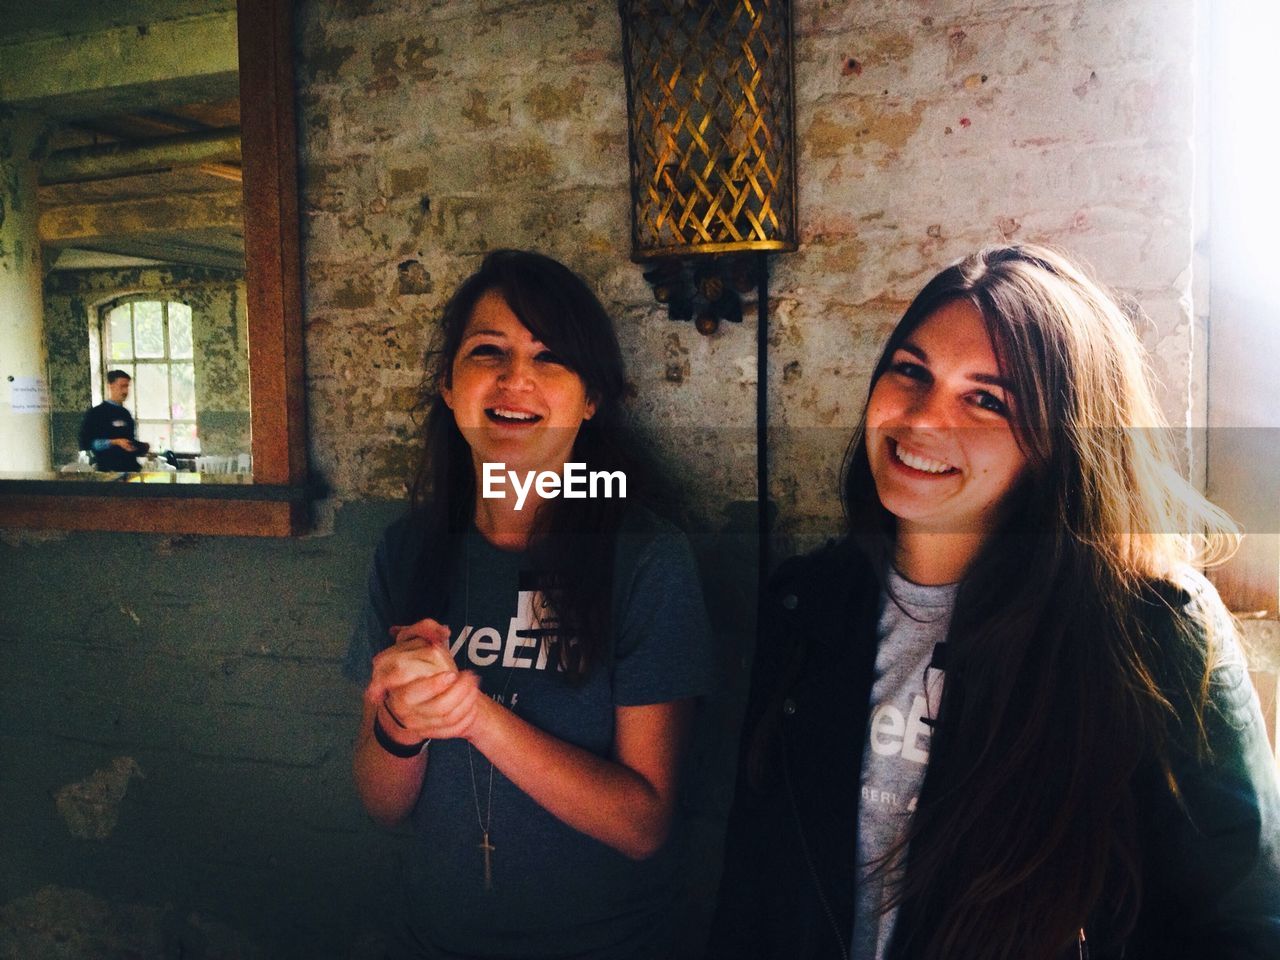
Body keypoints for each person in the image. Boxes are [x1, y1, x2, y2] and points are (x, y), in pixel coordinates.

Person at [709, 245, 1280, 960]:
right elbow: (755, 886)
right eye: (911, 370)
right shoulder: (806, 604)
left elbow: (1240, 928)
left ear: (1061, 439)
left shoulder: (1154, 628)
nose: (923, 419)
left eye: (986, 399)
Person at [345, 249, 714, 960]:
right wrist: (402, 724)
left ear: (590, 398)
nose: (517, 380)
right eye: (489, 352)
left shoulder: (644, 558)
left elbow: (643, 824)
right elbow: (382, 804)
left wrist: (474, 717)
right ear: (450, 388)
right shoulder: (409, 551)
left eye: (551, 358)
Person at [78, 370, 148, 471]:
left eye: (127, 386)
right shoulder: (96, 413)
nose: (125, 391)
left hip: (130, 469)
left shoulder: (125, 414)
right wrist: (114, 442)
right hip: (108, 471)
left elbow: (128, 441)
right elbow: (86, 443)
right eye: (122, 386)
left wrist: (140, 447)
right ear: (110, 386)